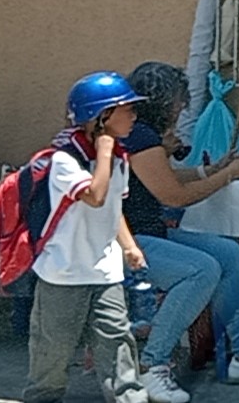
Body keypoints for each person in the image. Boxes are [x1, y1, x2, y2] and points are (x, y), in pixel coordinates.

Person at [122, 61, 239, 400]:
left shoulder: (143, 135)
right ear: (163, 101)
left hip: (147, 234)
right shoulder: (140, 137)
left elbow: (165, 178)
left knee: (229, 253)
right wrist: (231, 173)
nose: (182, 108)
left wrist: (211, 170)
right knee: (201, 271)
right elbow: (173, 195)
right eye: (178, 101)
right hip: (124, 241)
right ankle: (152, 366)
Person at [24, 72, 149, 403]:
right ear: (102, 116)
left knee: (117, 339)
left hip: (104, 270)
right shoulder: (65, 159)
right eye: (127, 109)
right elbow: (94, 195)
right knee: (54, 347)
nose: (134, 116)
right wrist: (103, 153)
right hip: (63, 272)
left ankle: (128, 397)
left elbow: (111, 206)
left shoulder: (119, 158)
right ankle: (43, 397)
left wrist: (129, 246)